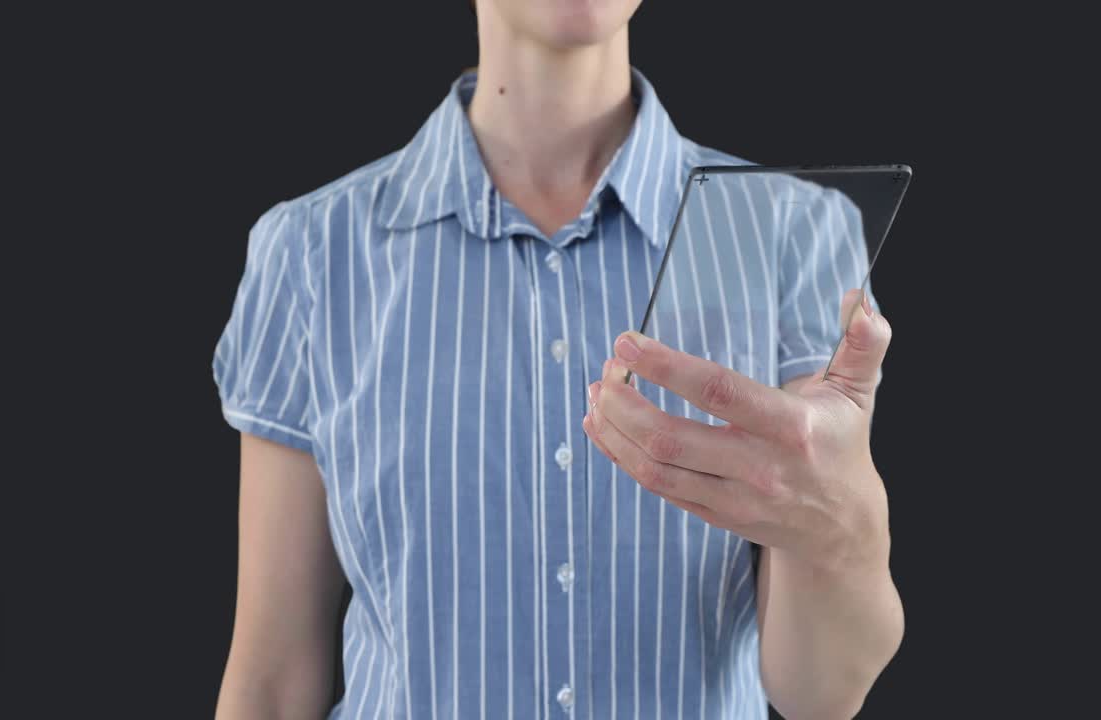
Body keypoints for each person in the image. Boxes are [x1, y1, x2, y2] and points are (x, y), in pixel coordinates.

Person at [211, 1, 903, 717]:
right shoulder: (311, 254)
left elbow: (819, 693)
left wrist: (842, 528)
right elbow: (272, 680)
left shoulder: (795, 233)